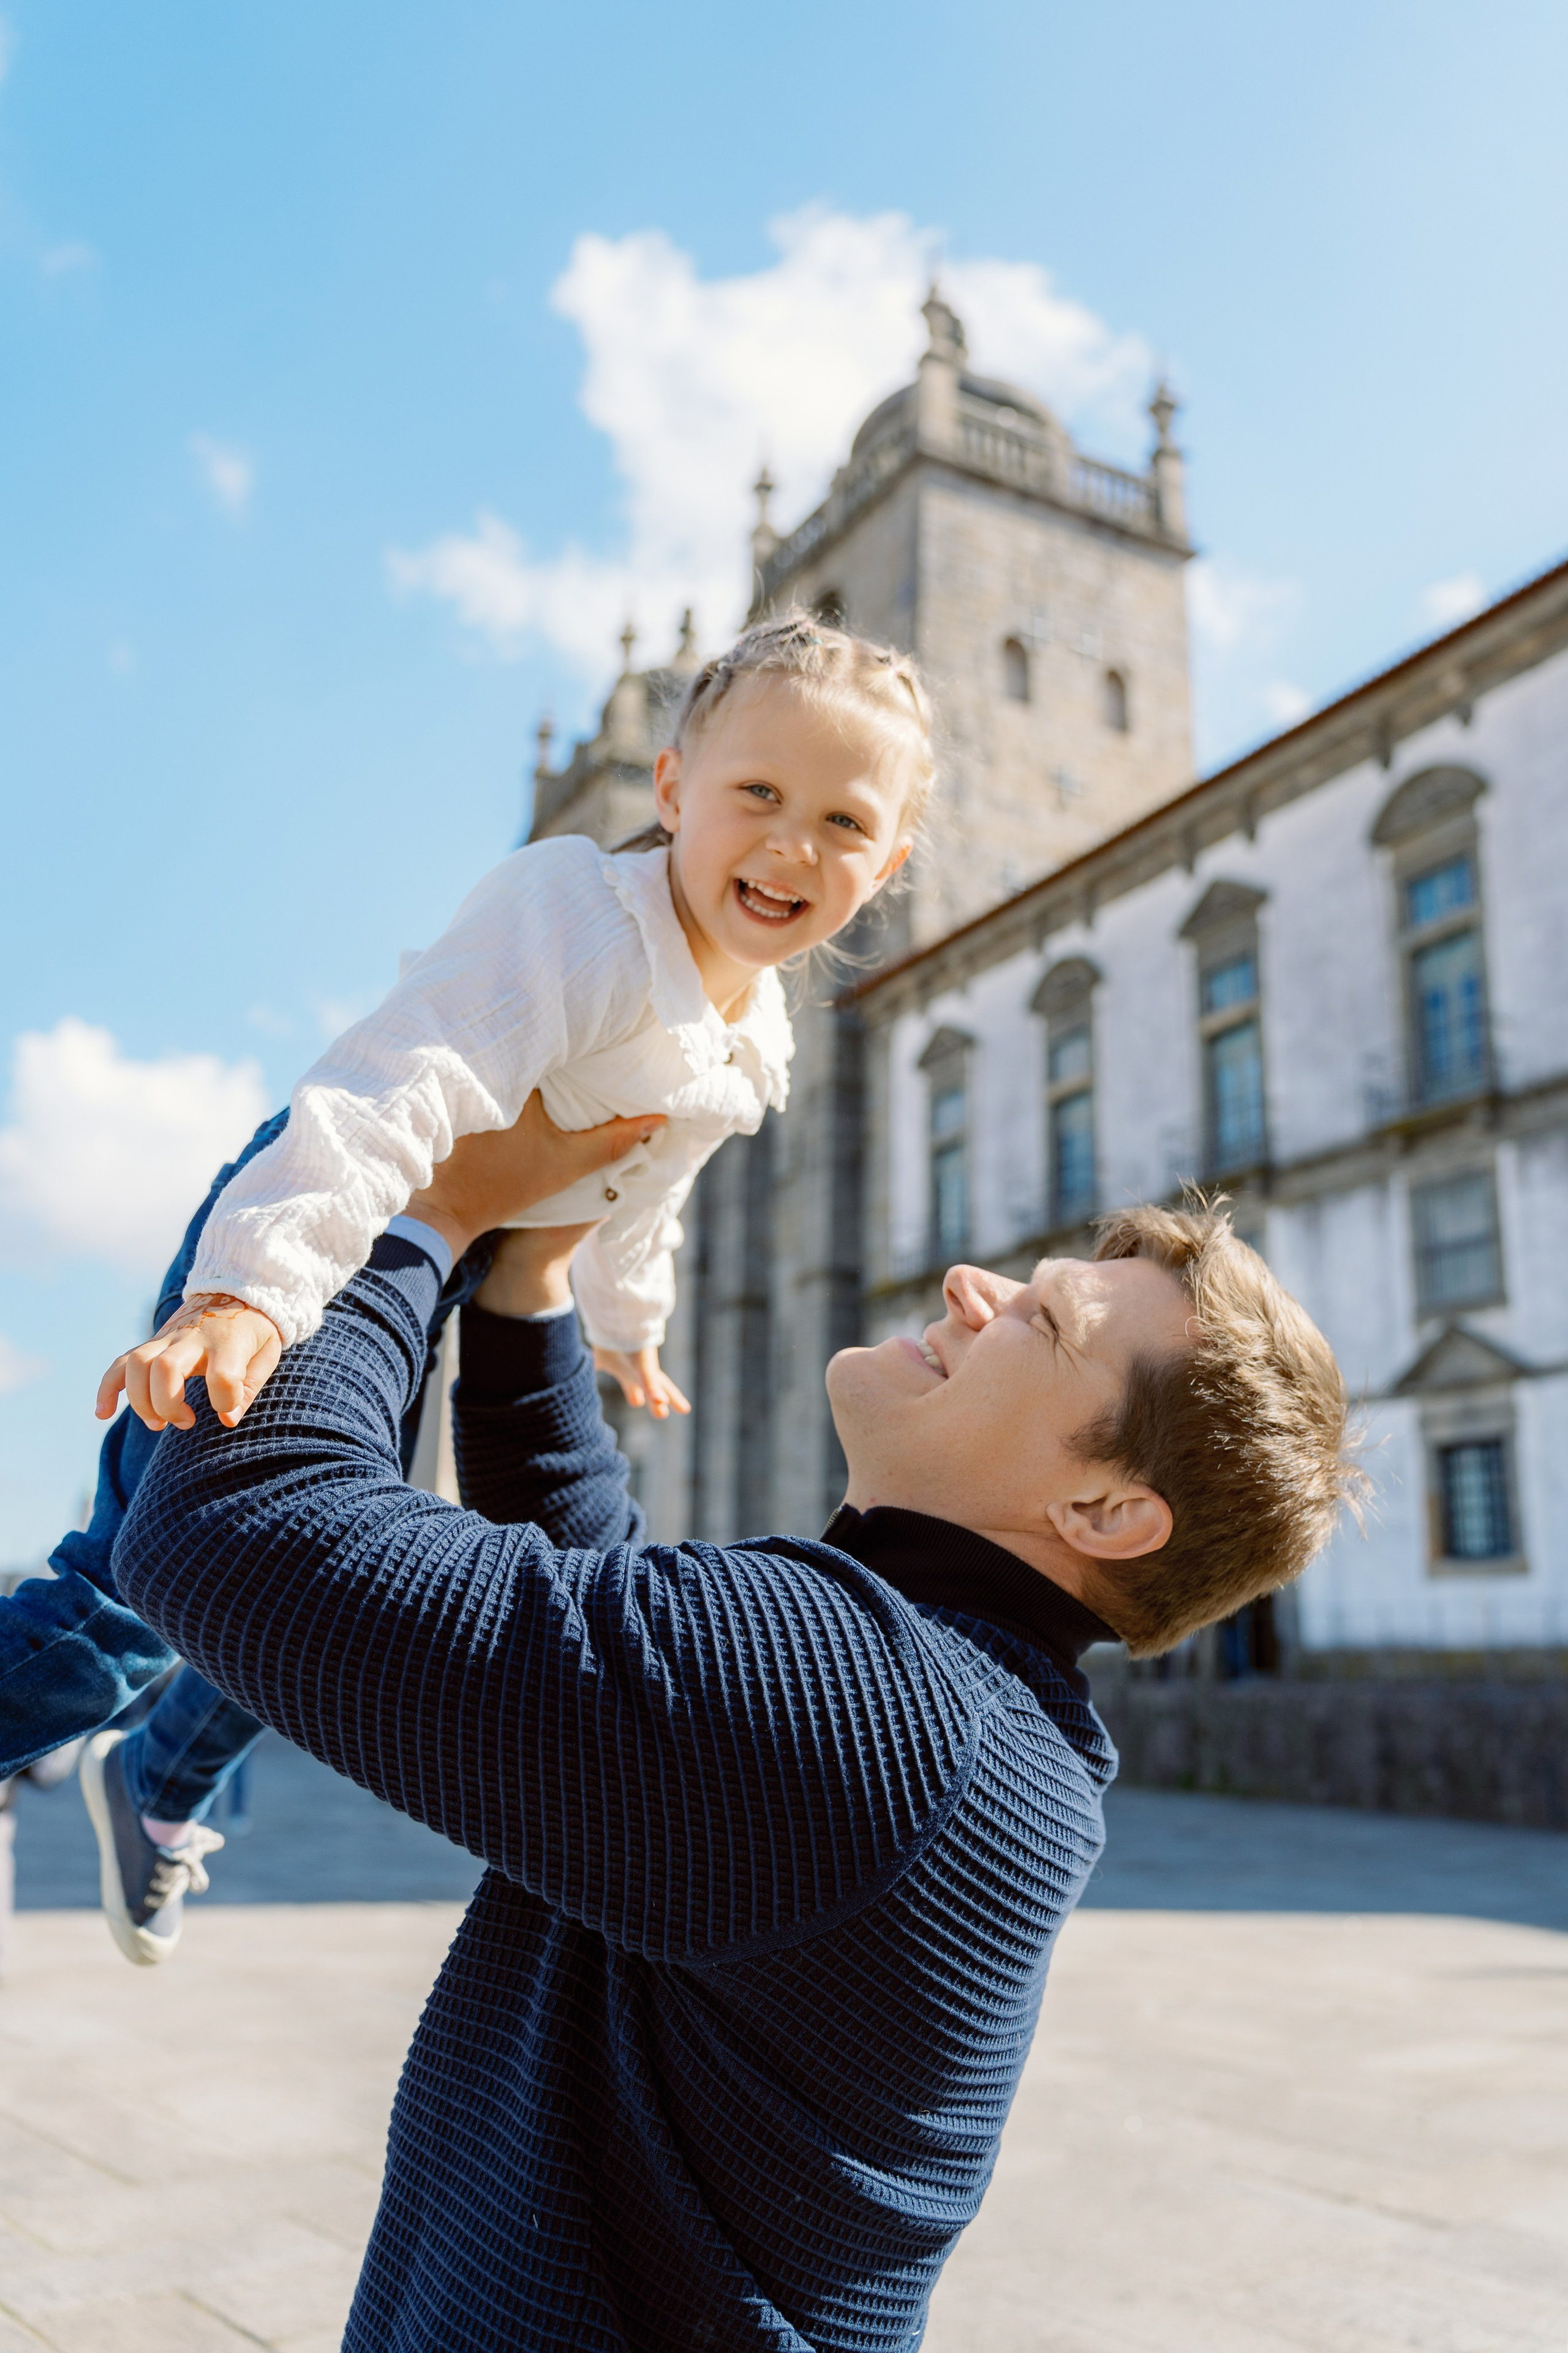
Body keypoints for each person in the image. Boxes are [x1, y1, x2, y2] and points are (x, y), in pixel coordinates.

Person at [111, 1101, 1359, 2352]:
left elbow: (234, 1530)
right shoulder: (969, 1713)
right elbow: (602, 1606)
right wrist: (531, 1274)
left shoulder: (888, 1713)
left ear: (1098, 1507)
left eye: (1042, 1322)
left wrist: (414, 1210)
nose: (970, 1285)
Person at [98, 611, 932, 1436]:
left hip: (450, 1261)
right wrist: (248, 1291)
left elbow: (657, 1186)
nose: (794, 843)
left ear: (889, 862)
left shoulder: (755, 1037)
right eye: (760, 792)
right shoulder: (583, 916)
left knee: (348, 1469)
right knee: (176, 1467)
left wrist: (629, 1326)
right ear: (672, 790)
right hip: (342, 1195)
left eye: (845, 822)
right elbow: (396, 1081)